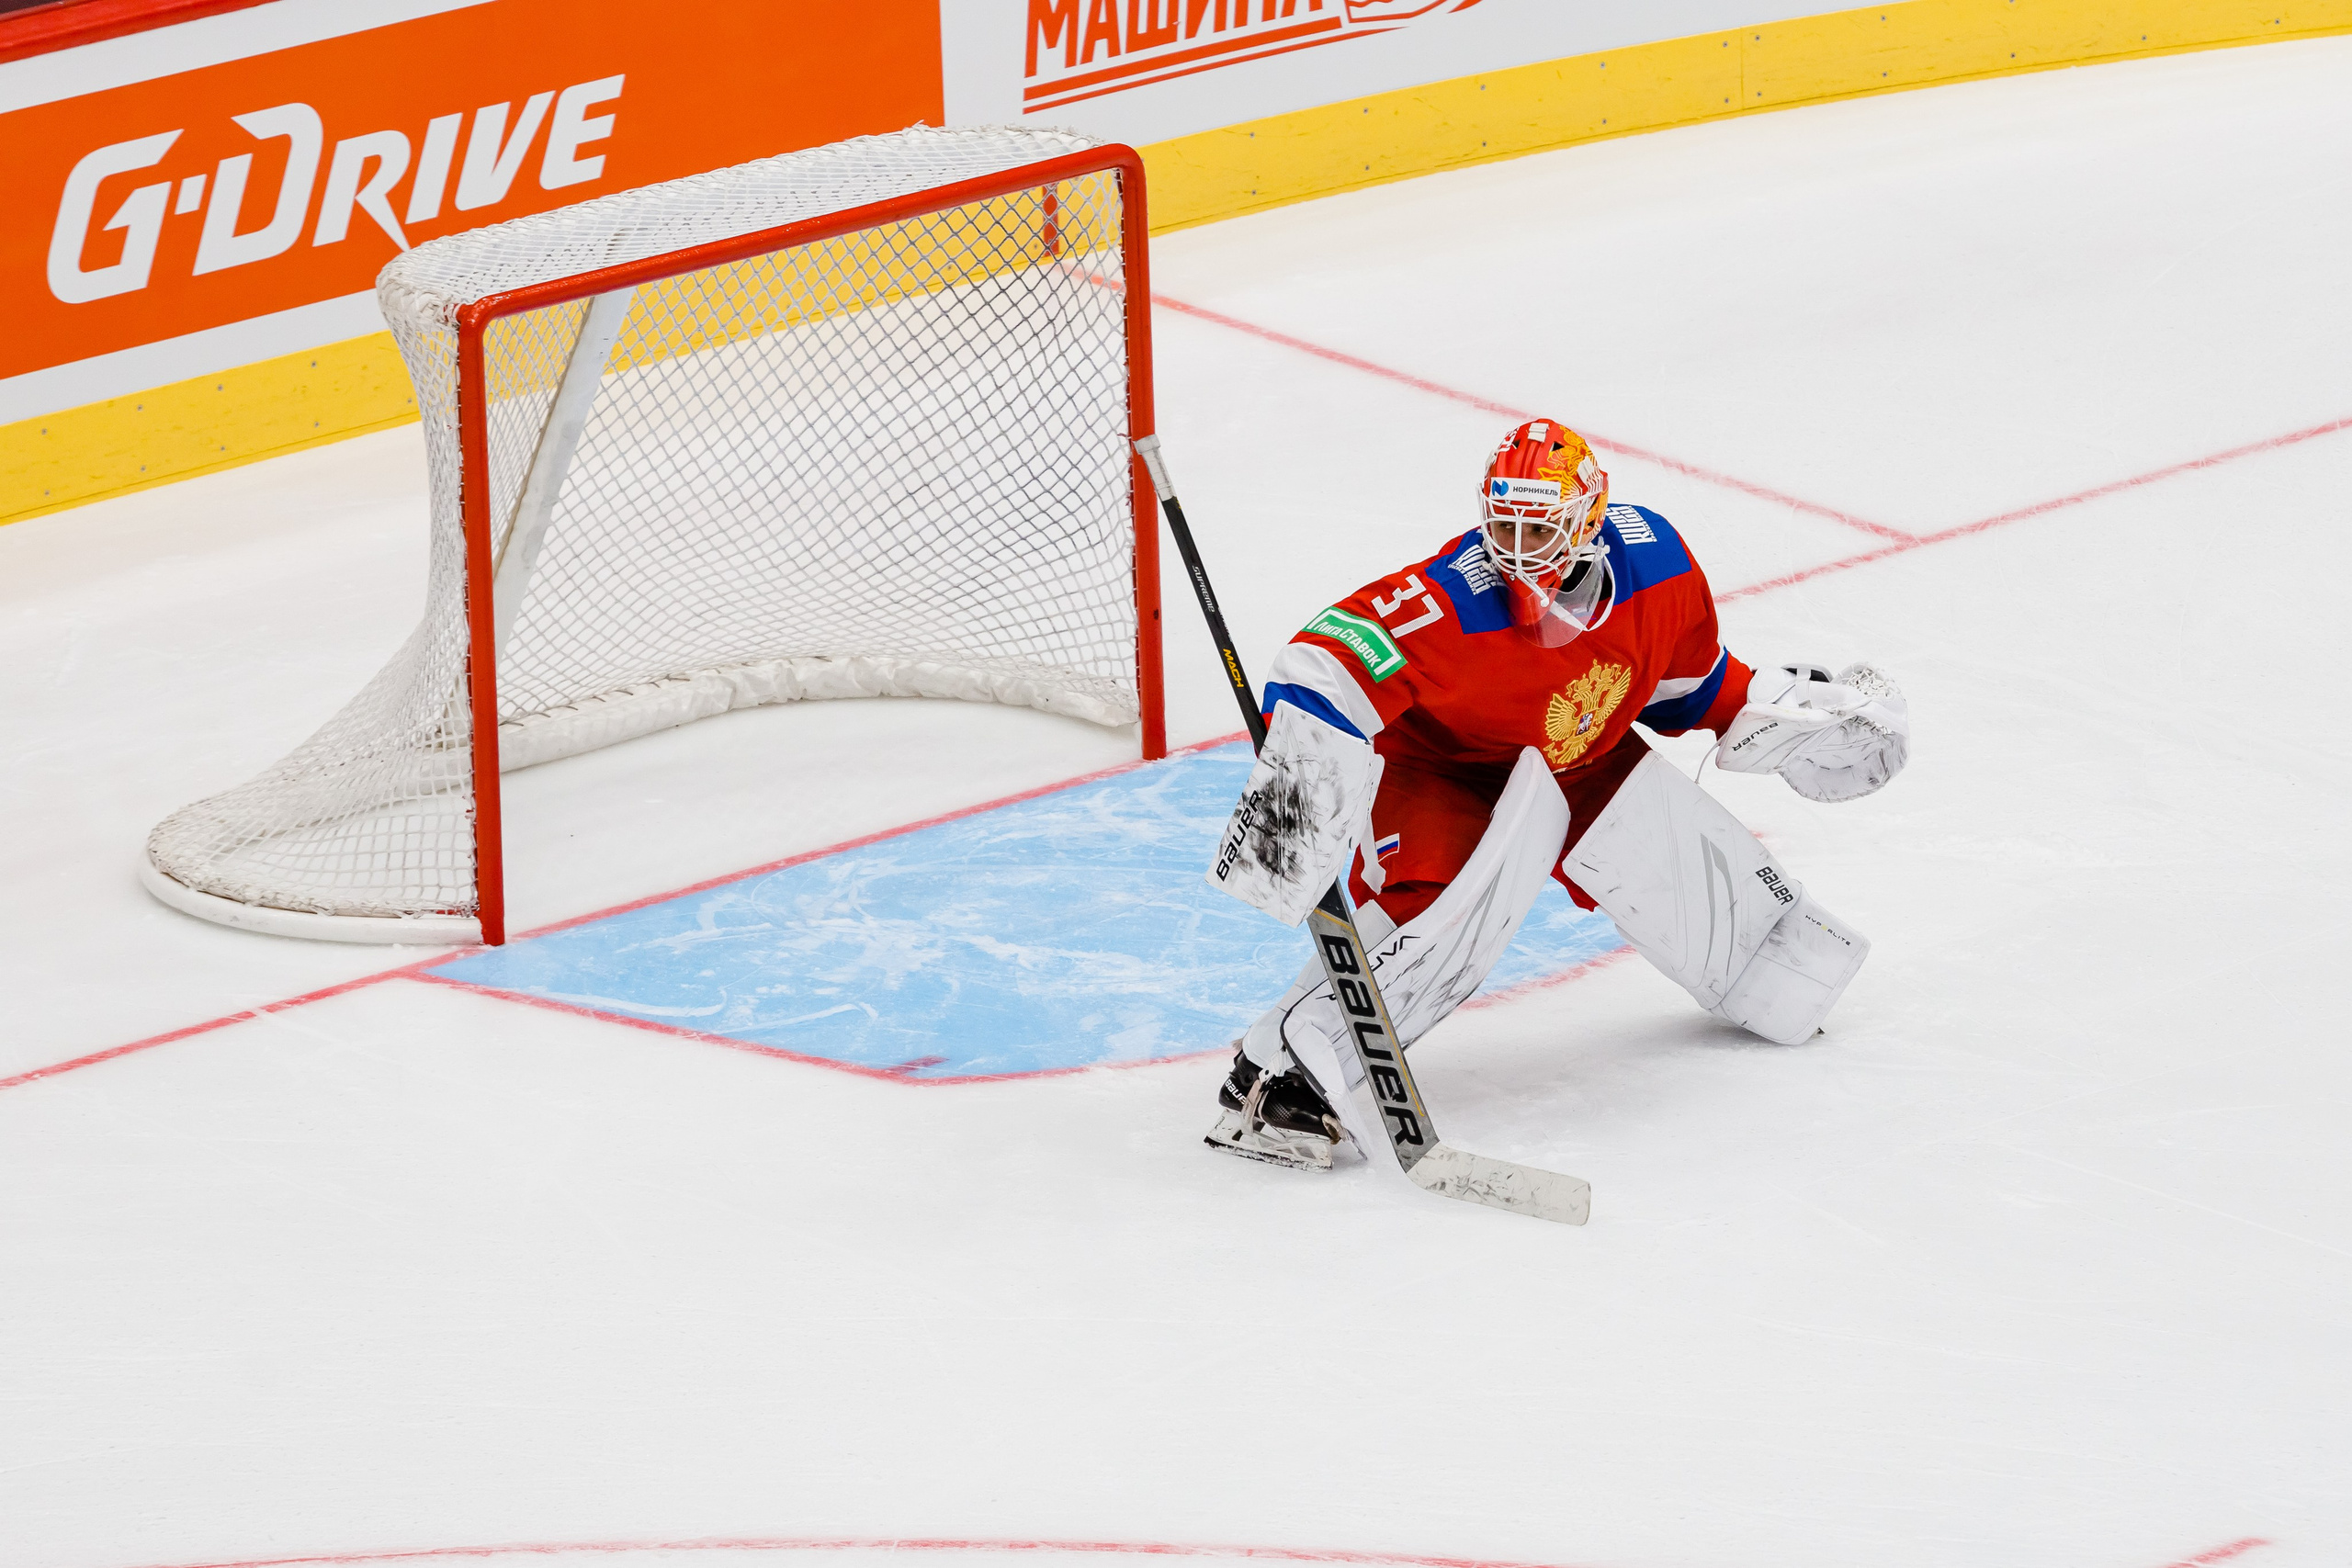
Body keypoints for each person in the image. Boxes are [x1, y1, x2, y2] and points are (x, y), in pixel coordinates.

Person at [1204, 418, 1910, 1169]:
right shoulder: (1450, 602)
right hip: (1444, 767)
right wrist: (1293, 803)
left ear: (1591, 517)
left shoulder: (1659, 564)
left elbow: (1686, 690)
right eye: (1503, 523)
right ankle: (1274, 1076)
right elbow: (1320, 665)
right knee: (1444, 906)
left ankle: (1754, 967)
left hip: (1581, 758)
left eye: (1538, 528)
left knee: (1762, 956)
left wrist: (1778, 710)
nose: (1515, 546)